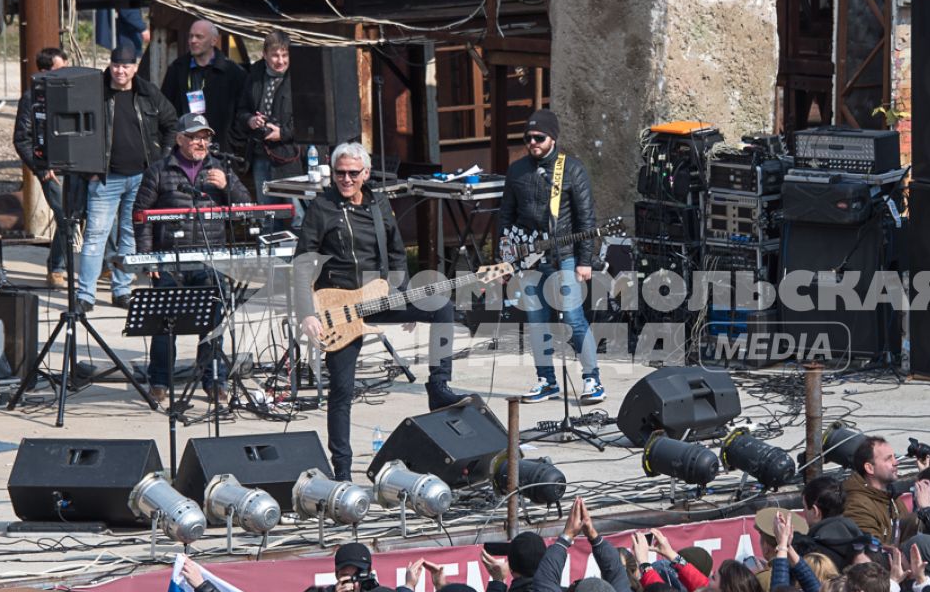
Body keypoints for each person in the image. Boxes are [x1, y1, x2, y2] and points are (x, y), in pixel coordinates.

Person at [294, 141, 466, 479]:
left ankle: (438, 385)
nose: (345, 179)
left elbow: (398, 252)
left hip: (377, 297)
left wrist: (400, 293)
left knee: (441, 307)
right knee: (342, 390)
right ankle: (342, 471)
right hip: (338, 306)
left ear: (366, 174)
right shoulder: (322, 208)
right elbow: (302, 263)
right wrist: (306, 312)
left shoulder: (378, 203)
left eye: (352, 173)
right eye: (339, 173)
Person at [131, 113, 252, 408]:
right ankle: (160, 380)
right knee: (164, 326)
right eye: (195, 136)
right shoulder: (160, 170)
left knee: (213, 327)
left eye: (205, 137)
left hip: (212, 261)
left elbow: (246, 208)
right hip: (170, 261)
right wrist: (148, 261)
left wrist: (228, 187)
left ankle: (213, 380)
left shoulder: (220, 169)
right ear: (180, 139)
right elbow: (140, 216)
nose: (201, 142)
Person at [499, 109, 604, 405]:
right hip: (527, 259)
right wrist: (505, 258)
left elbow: (586, 219)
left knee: (573, 318)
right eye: (528, 137)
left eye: (538, 137)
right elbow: (505, 216)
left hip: (565, 256)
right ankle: (547, 381)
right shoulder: (516, 171)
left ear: (553, 138)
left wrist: (585, 261)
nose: (532, 142)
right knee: (536, 322)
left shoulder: (571, 169)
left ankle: (592, 379)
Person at [75, 41, 178, 313]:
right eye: (116, 65)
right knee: (96, 236)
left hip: (141, 177)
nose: (120, 71)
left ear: (134, 68)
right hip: (105, 178)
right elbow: (76, 131)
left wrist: (162, 159)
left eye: (126, 66)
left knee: (130, 235)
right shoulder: (95, 91)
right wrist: (89, 170)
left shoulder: (148, 93)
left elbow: (172, 123)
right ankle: (85, 294)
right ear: (110, 65)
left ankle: (121, 290)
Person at [10, 45, 73, 289]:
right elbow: (21, 138)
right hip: (50, 171)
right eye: (60, 70)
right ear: (46, 72)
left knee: (83, 214)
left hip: (73, 167)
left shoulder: (69, 92)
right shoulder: (31, 99)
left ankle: (108, 264)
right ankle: (56, 267)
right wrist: (41, 168)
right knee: (65, 217)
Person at [159, 19, 247, 155]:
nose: (193, 40)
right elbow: (164, 109)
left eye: (199, 36)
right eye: (190, 36)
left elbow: (243, 112)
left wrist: (232, 144)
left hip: (220, 150)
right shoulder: (177, 69)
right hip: (184, 151)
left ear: (213, 41)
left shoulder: (233, 73)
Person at [230, 31, 293, 198]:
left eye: (285, 55)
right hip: (260, 154)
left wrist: (283, 133)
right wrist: (250, 120)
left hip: (291, 157)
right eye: (275, 55)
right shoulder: (255, 74)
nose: (280, 61)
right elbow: (242, 110)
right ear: (264, 55)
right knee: (267, 214)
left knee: (296, 215)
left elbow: (310, 118)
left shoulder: (299, 77)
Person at [840, 437, 897, 546]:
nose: (896, 462)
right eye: (888, 459)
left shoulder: (891, 496)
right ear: (870, 468)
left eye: (895, 457)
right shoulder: (856, 505)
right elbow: (873, 550)